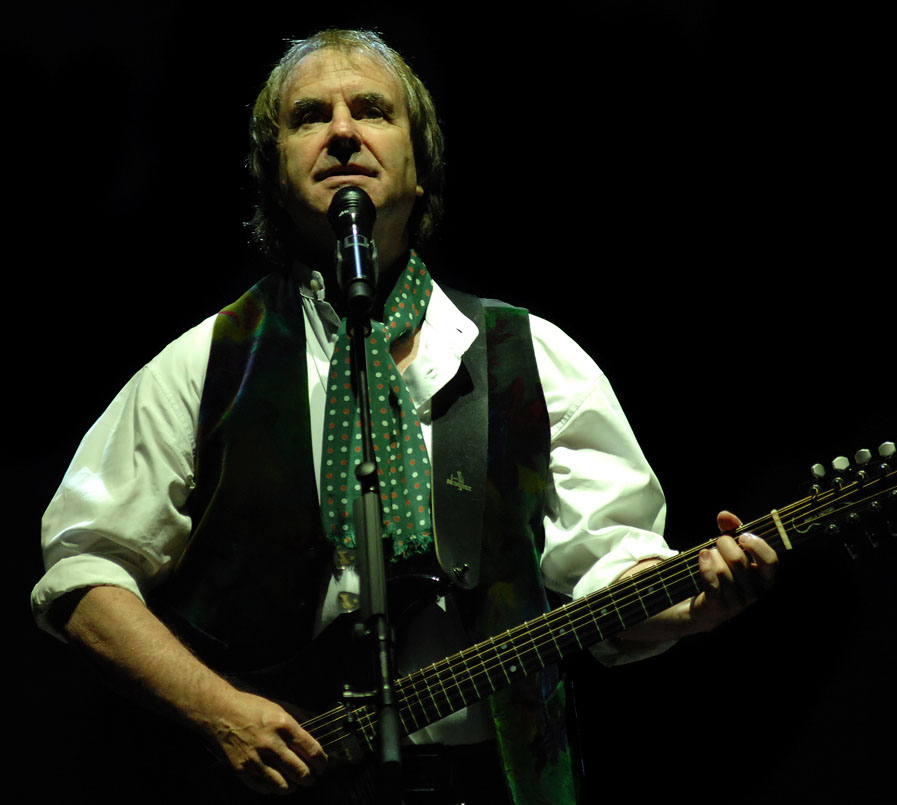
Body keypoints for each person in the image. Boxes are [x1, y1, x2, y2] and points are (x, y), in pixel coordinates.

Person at [32, 28, 777, 803]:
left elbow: (611, 571)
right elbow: (83, 575)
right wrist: (220, 711)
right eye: (309, 115)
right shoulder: (210, 363)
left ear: (421, 170)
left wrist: (693, 602)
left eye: (372, 110)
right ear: (274, 174)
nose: (342, 130)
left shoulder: (525, 357)